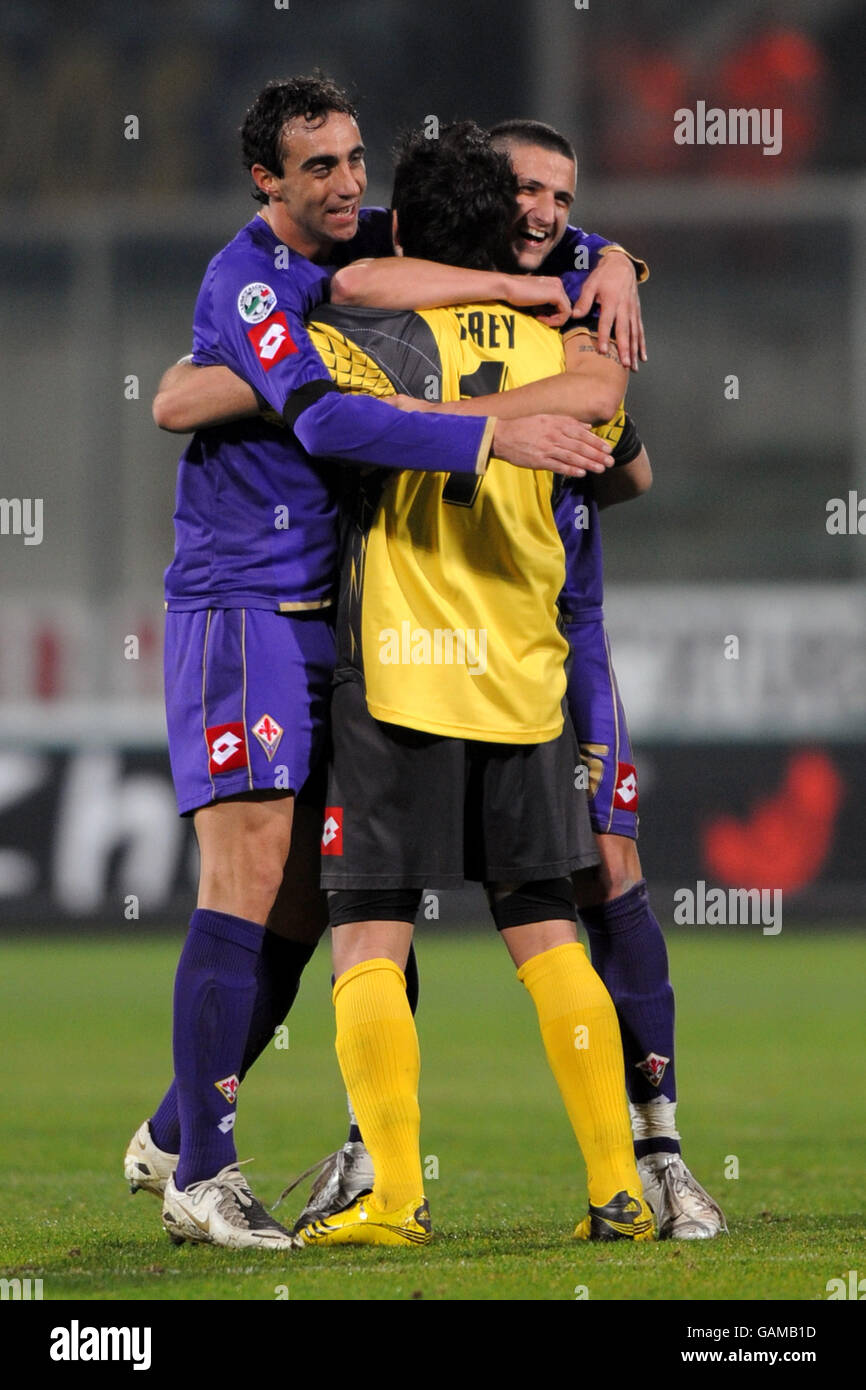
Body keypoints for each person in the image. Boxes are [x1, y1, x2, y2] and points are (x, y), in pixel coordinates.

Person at [125, 74, 619, 1252]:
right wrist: (491, 428)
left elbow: (510, 227)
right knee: (248, 884)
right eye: (321, 169)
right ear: (265, 179)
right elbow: (329, 421)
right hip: (246, 606)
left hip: (334, 623)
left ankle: (192, 1126)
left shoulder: (360, 238)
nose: (350, 185)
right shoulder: (248, 279)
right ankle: (204, 1166)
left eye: (356, 161)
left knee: (316, 902)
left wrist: (599, 259)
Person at [283, 121, 654, 1248]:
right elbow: (612, 418)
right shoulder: (570, 356)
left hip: (400, 675)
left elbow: (326, 406)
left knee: (367, 933)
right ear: (505, 228)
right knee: (546, 930)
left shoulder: (360, 332)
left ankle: (393, 1196)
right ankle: (619, 1190)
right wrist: (605, 278)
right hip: (526, 681)